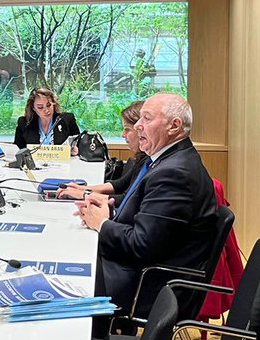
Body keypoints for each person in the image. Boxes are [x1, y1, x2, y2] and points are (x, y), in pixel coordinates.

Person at [75, 93, 217, 315]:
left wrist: (102, 223)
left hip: (147, 284)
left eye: (147, 119)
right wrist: (109, 207)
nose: (138, 126)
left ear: (174, 126)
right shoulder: (168, 160)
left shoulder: (174, 173)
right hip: (141, 270)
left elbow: (141, 245)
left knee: (65, 283)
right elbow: (144, 208)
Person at [59, 101, 145, 200]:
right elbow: (121, 184)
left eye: (127, 129)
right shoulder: (143, 158)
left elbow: (126, 200)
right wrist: (83, 189)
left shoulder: (155, 164)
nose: (122, 134)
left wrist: (84, 195)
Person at [13, 87, 81, 148]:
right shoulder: (23, 122)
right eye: (40, 107)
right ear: (33, 108)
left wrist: (76, 150)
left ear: (54, 103)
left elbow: (79, 144)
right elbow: (17, 149)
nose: (46, 110)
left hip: (63, 161)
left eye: (48, 105)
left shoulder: (67, 119)